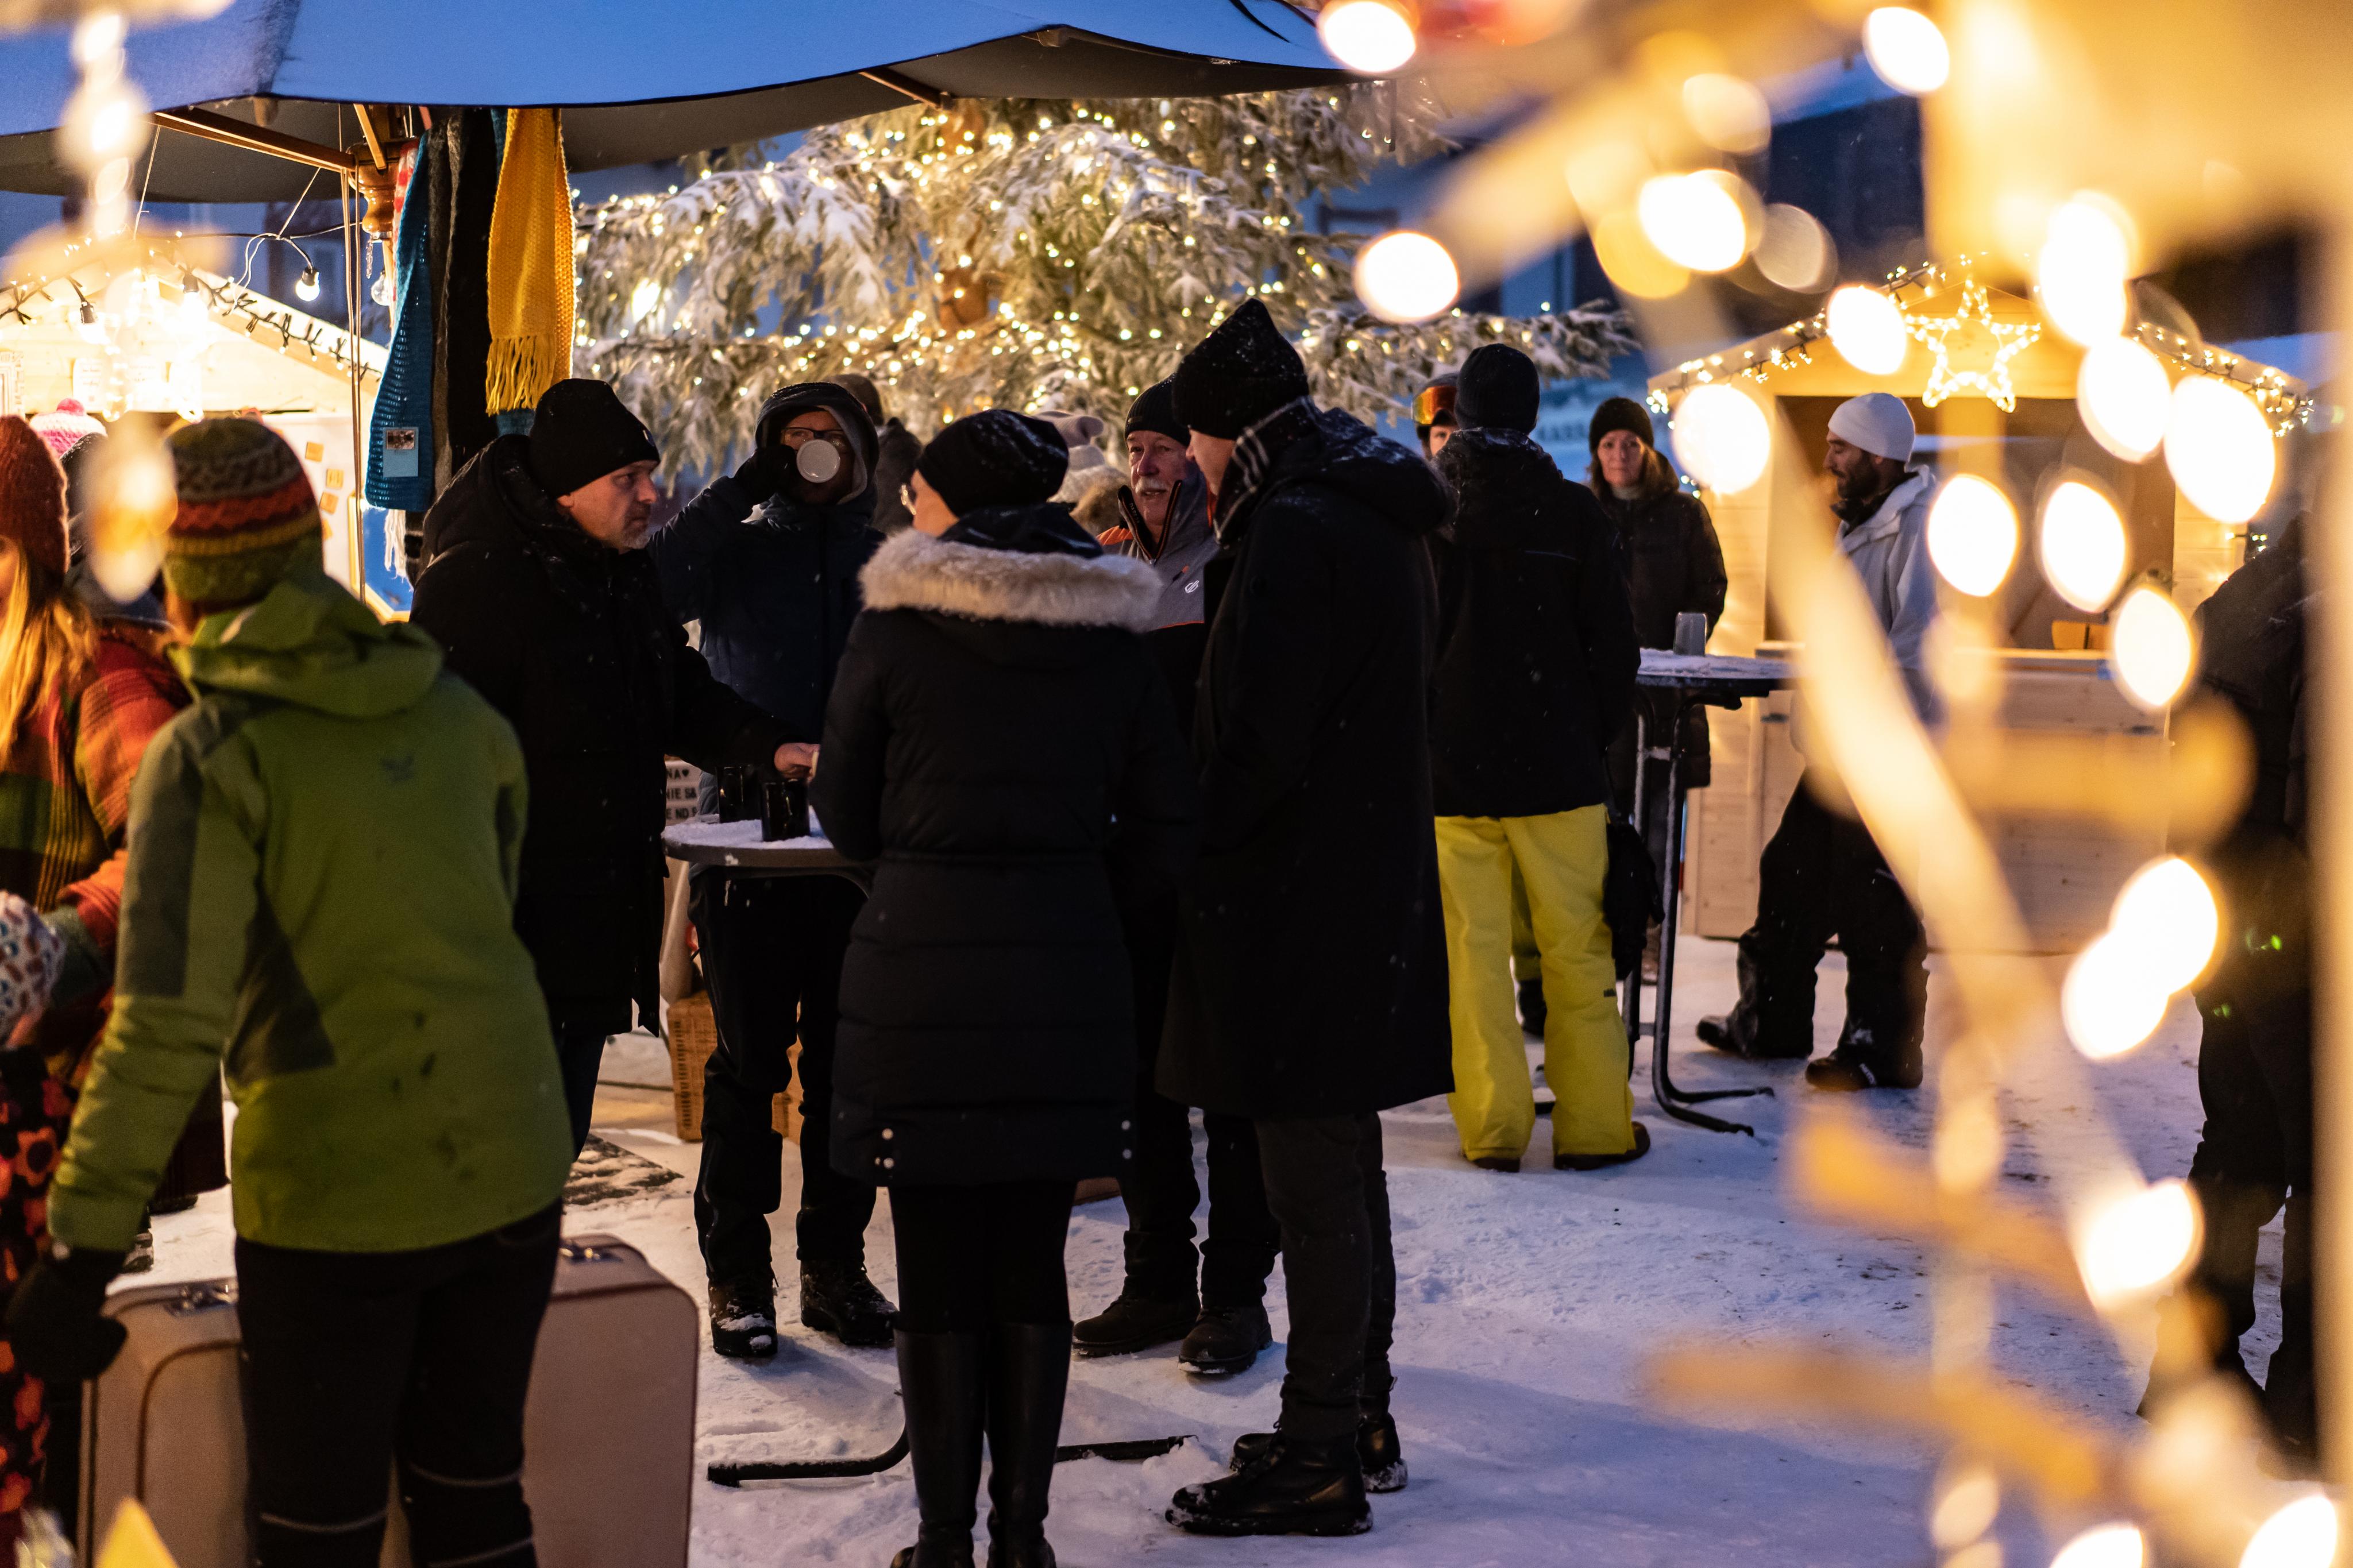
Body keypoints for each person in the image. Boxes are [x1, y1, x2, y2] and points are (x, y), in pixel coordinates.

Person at [11, 418, 576, 1567]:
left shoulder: (211, 756)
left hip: (337, 1184)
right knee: (475, 1501)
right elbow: (496, 906)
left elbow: (165, 1027)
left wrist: (78, 1255)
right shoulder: (451, 712)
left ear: (178, 576)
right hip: (515, 1153)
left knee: (321, 1527)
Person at [813, 410, 1194, 1568]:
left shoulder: (896, 627)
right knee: (1031, 1258)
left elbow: (844, 809)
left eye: (924, 489)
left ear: (961, 503)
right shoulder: (1113, 636)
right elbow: (1160, 823)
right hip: (1065, 974)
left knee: (935, 1262)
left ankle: (941, 1543)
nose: (909, 503)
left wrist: (923, 879)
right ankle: (1021, 1539)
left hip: (918, 978)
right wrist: (1069, 898)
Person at [1156, 300, 1452, 1536]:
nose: (1190, 465)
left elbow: (1256, 740)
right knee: (1342, 1166)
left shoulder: (1291, 527)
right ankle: (1356, 1414)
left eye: (1194, 441)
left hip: (1294, 900)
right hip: (1360, 883)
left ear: (1230, 431)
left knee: (1312, 1183)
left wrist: (1185, 835)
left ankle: (1319, 1450)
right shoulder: (1371, 509)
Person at [411, 379, 799, 1152]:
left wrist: (771, 746)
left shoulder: (618, 576)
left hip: (592, 927)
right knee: (497, 1154)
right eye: (627, 479)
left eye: (649, 475)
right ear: (565, 490)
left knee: (552, 1144)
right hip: (505, 938)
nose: (649, 495)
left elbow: (680, 693)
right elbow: (431, 771)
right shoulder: (478, 584)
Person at [651, 380, 897, 1354]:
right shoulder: (736, 549)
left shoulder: (890, 560)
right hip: (747, 842)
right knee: (747, 1067)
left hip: (860, 855)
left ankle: (835, 1269)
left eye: (828, 436)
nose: (811, 451)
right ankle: (738, 1277)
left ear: (861, 452)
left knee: (848, 1072)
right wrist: (744, 484)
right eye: (792, 437)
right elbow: (654, 590)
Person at [0, 418, 184, 1549]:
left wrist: (51, 945)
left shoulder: (95, 672)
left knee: (33, 1399)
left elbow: (177, 842)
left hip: (55, 1108)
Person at [1077, 381, 1280, 1373]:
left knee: (1230, 1086)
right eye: (1137, 447)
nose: (1148, 463)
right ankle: (1157, 1279)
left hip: (1224, 862)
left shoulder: (1237, 558)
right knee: (1142, 1083)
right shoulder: (1102, 561)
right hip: (1131, 865)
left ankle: (1234, 1295)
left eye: (1165, 446)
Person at [1428, 346, 1642, 1173]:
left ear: (1464, 417)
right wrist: (1588, 735)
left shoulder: (1430, 516)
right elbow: (1614, 650)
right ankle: (1594, 1127)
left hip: (1453, 773)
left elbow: (1408, 642)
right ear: (1531, 415)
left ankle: (1492, 1128)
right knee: (1579, 955)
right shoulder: (1574, 514)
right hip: (1559, 773)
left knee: (1472, 959)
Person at [1696, 392, 1938, 1090]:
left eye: (1841, 447)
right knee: (1791, 875)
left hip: (1886, 752)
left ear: (1879, 456)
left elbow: (1921, 648)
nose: (1828, 458)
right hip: (1841, 752)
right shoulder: (1862, 523)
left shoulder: (1917, 530)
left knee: (1876, 900)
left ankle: (1881, 1049)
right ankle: (1770, 1021)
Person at [2146, 514, 2313, 1459]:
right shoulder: (2322, 617)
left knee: (2239, 1143)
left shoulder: (2240, 601)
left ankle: (2191, 1367)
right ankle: (2309, 1408)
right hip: (2293, 930)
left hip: (2220, 914)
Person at [1587, 396, 1727, 965]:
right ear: (1596, 453)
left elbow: (1709, 589)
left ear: (1648, 450)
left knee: (1659, 829)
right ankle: (1604, 943)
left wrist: (1674, 650)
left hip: (1667, 703)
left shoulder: (1683, 515)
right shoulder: (1585, 514)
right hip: (1602, 706)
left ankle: (1649, 941)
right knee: (1598, 831)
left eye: (1631, 443)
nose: (1619, 454)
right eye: (1608, 444)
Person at [828, 372, 923, 535]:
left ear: (860, 411)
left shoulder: (889, 462)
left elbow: (890, 532)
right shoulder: (874, 453)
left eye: (830, 414)